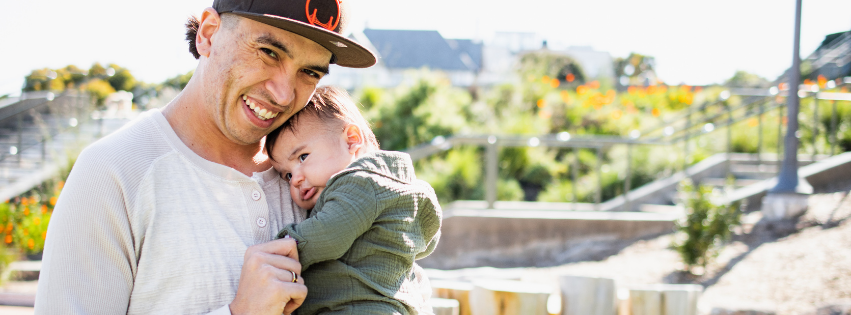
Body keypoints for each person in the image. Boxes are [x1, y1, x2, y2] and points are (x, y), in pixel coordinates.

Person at [34, 0, 376, 314]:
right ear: (208, 35)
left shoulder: (325, 174)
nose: (284, 93)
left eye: (310, 72)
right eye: (269, 52)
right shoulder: (114, 172)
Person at [265, 86, 442, 314]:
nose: (295, 180)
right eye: (287, 175)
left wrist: (283, 244)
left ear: (351, 140)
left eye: (303, 157)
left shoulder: (360, 183)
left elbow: (328, 234)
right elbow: (428, 240)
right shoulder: (404, 188)